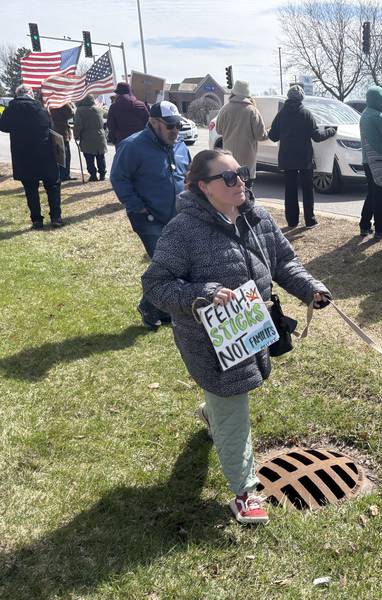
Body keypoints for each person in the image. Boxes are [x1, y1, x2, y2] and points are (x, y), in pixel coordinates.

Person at [142, 149, 331, 524]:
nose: (240, 182)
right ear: (202, 187)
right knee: (233, 406)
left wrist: (310, 288)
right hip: (208, 342)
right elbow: (156, 284)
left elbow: (283, 262)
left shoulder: (256, 216)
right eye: (228, 178)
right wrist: (203, 295)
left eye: (241, 174)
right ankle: (245, 492)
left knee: (227, 401)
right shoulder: (184, 230)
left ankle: (213, 414)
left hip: (251, 330)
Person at [110, 100, 191, 329]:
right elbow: (119, 178)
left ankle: (159, 307)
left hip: (176, 215)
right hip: (148, 219)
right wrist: (137, 206)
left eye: (177, 125)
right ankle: (149, 306)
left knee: (175, 264)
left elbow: (189, 175)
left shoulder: (180, 145)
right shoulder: (132, 146)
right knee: (166, 265)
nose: (175, 130)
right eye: (169, 126)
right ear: (154, 123)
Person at [267, 85, 336, 228]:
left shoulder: (281, 114)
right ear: (301, 98)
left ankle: (292, 221)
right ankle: (310, 220)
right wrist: (330, 131)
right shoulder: (306, 114)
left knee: (290, 190)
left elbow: (272, 137)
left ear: (288, 97)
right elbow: (317, 136)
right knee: (307, 189)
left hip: (287, 157)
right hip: (304, 158)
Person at [0, 84, 63, 229]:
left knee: (30, 189)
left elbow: (3, 126)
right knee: (52, 186)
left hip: (23, 155)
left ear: (17, 94)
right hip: (45, 154)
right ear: (30, 94)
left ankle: (37, 220)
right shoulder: (41, 108)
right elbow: (50, 125)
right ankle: (56, 217)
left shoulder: (11, 109)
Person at [215, 80, 268, 190]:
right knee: (246, 194)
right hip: (247, 161)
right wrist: (270, 130)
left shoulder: (225, 109)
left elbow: (219, 130)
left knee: (231, 192)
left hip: (229, 159)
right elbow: (261, 135)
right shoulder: (252, 110)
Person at [358, 85, 382, 237]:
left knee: (372, 193)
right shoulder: (377, 116)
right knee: (380, 195)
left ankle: (364, 224)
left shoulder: (365, 113)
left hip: (367, 160)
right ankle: (380, 227)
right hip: (378, 160)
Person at [73, 95, 108, 181]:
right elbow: (107, 115)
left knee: (89, 157)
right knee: (101, 156)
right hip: (100, 136)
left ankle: (93, 175)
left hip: (87, 136)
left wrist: (76, 135)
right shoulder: (98, 109)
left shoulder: (80, 110)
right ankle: (102, 174)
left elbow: (78, 125)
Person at [50, 102, 75, 181]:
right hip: (61, 131)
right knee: (64, 155)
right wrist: (68, 103)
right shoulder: (60, 102)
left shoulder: (49, 101)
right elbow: (71, 113)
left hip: (53, 130)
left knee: (58, 155)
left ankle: (60, 174)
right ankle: (64, 175)